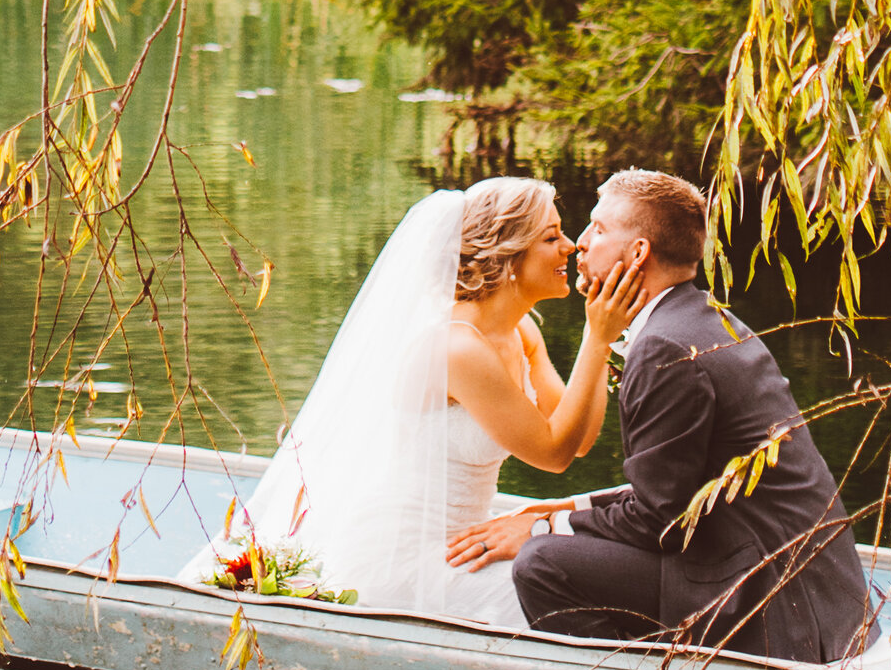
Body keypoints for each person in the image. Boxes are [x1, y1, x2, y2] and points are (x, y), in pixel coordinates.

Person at [506, 167, 875, 663]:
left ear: (637, 253)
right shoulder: (709, 319)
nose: (581, 244)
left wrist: (543, 529)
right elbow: (675, 491)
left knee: (542, 564)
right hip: (815, 592)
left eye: (598, 228)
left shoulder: (664, 346)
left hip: (777, 608)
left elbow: (662, 521)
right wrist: (563, 509)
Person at [246, 178, 652, 623]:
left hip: (466, 542)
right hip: (404, 559)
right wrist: (596, 336)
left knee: (585, 574)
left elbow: (577, 441)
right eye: (551, 237)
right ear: (507, 256)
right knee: (571, 589)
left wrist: (600, 338)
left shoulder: (519, 331)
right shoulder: (457, 348)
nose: (571, 247)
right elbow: (552, 454)